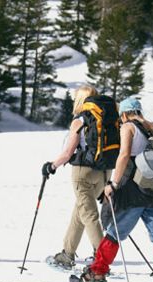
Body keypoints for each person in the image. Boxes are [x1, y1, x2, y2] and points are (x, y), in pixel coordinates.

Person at [76, 98, 153, 282]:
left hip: (133, 192)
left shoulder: (128, 127)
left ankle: (97, 273)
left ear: (124, 114)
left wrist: (113, 184)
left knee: (113, 233)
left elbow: (124, 155)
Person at [42, 85, 111, 269]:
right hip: (104, 172)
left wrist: (51, 166)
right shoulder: (104, 118)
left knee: (88, 214)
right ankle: (67, 253)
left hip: (83, 173)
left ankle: (101, 259)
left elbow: (68, 152)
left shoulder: (80, 120)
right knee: (80, 211)